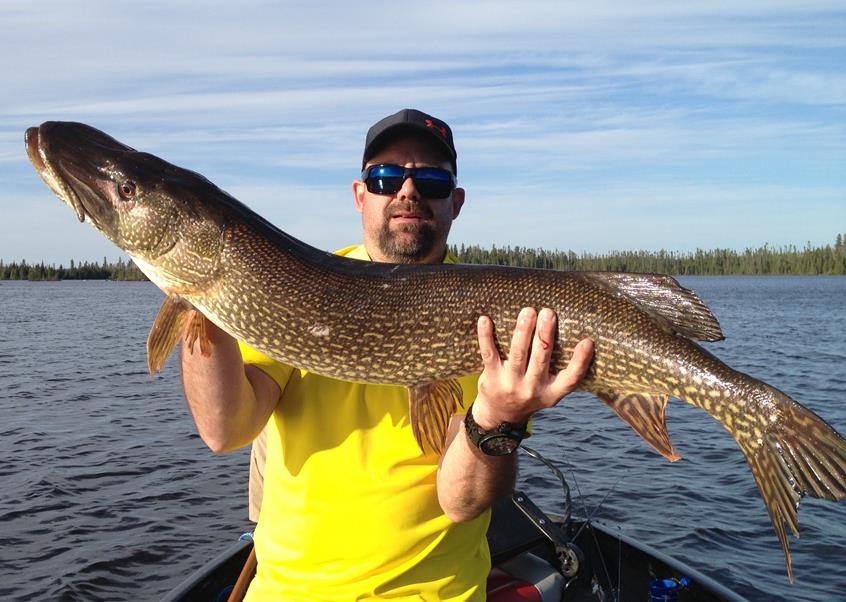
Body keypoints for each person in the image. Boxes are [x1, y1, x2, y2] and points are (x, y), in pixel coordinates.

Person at [180, 108, 595, 601]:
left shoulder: (489, 312)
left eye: (432, 181)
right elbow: (225, 429)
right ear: (360, 196)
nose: (407, 192)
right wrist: (196, 291)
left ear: (455, 202)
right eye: (385, 177)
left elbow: (460, 500)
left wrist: (498, 419)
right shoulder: (295, 284)